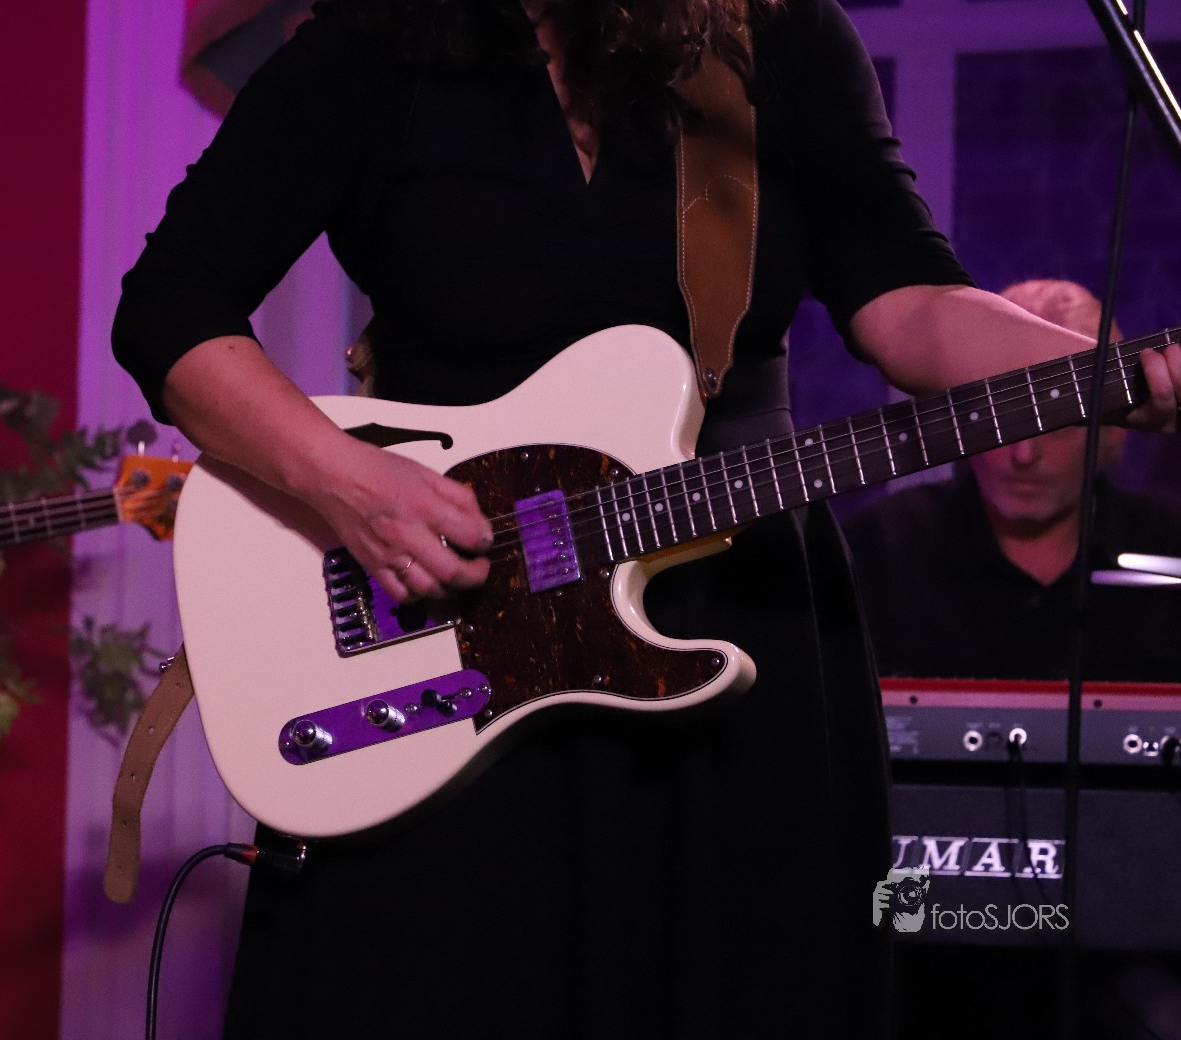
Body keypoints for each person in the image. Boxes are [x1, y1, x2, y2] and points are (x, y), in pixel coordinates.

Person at [111, 2, 1181, 1035]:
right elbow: (169, 303)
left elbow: (910, 303)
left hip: (732, 612)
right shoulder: (377, 43)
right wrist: (347, 484)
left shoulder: (779, 37)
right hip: (443, 612)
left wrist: (1119, 376)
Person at [846, 278, 1181, 683]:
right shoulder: (881, 547)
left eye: (1058, 425)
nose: (1023, 455)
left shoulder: (1168, 545)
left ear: (1112, 430)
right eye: (1002, 423)